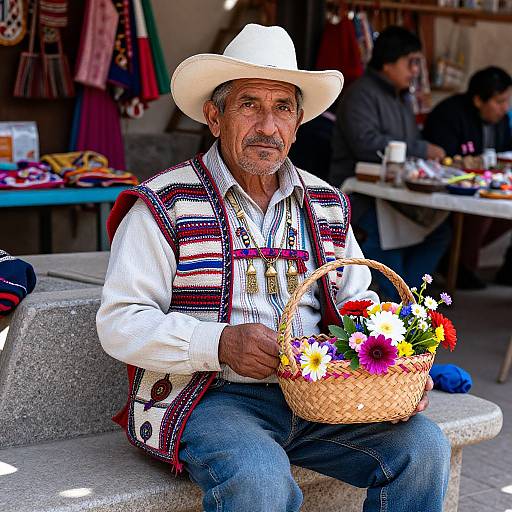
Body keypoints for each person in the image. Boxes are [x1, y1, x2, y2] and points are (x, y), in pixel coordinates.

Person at [97, 24, 450, 512]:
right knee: (261, 482)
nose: (268, 125)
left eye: (283, 107)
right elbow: (119, 322)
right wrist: (219, 342)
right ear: (214, 117)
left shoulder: (326, 202)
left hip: (321, 395)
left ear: (299, 121)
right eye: (249, 105)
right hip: (211, 399)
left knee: (423, 449)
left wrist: (389, 363)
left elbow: (356, 300)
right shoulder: (165, 203)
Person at [329, 25, 450, 300]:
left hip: (398, 194)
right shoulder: (360, 94)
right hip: (362, 196)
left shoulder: (402, 97)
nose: (416, 70)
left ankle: (408, 300)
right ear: (388, 62)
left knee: (440, 231)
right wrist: (420, 148)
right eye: (411, 62)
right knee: (385, 243)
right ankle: (401, 302)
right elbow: (366, 145)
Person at [423, 66, 512, 288]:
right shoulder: (450, 114)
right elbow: (446, 159)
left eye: (506, 101)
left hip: (488, 183)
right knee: (479, 213)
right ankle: (460, 267)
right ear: (478, 100)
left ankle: (499, 267)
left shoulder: (500, 121)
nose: (505, 108)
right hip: (451, 187)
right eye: (499, 102)